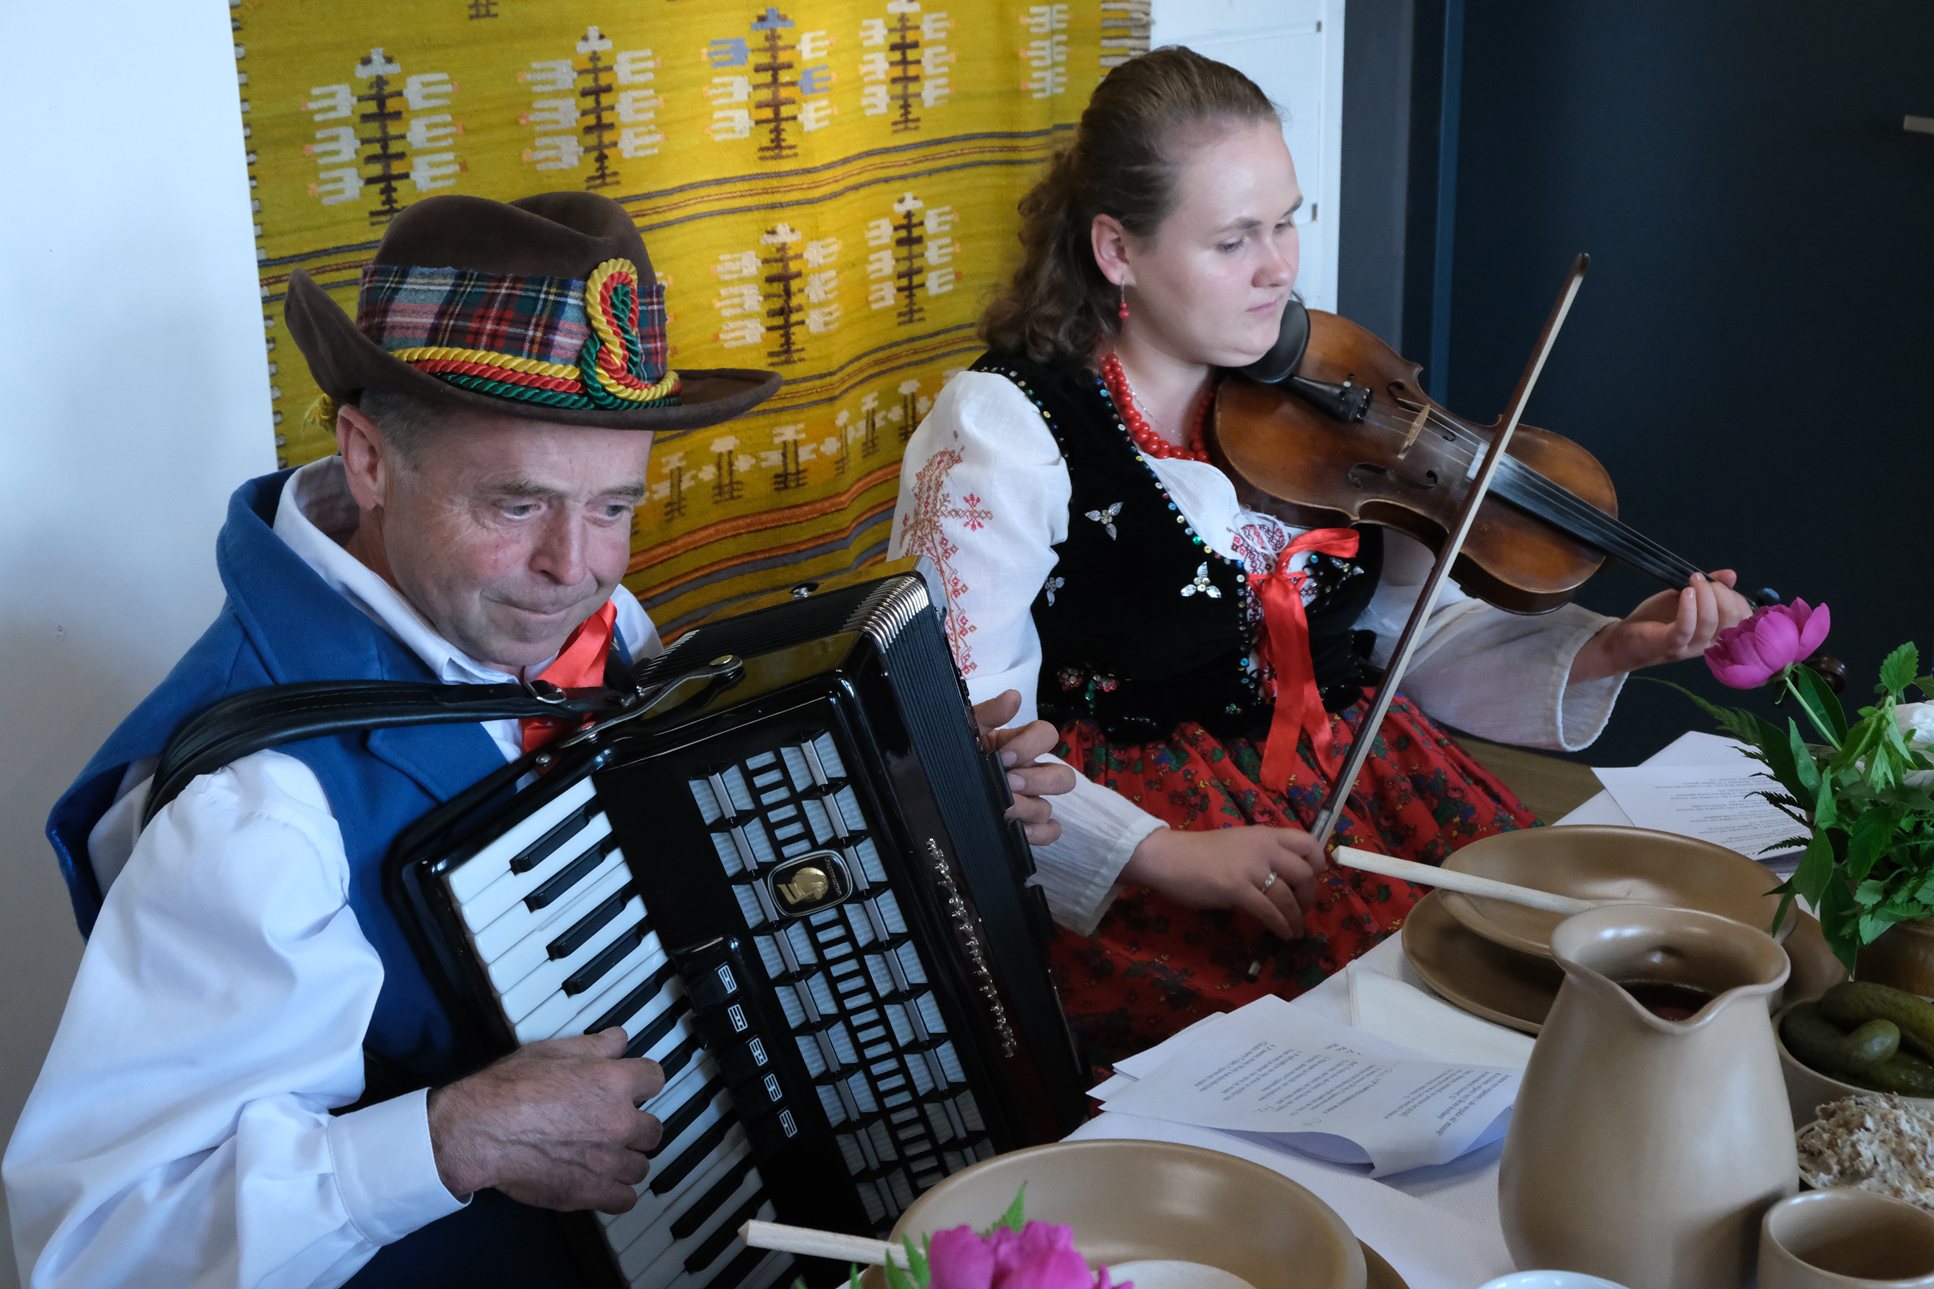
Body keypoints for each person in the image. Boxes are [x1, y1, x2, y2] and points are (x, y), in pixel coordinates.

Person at [5, 192, 1075, 1288]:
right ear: (368, 459)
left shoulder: (555, 612)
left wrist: (928, 809)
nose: (578, 567)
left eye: (614, 507)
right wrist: (443, 1140)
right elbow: (92, 1252)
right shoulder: (257, 809)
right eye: (516, 505)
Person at [888, 47, 1753, 1066]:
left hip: (1371, 790)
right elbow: (959, 734)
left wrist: (1608, 647)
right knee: (1355, 1062)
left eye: (1285, 222)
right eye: (1232, 240)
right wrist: (1158, 852)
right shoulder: (1006, 429)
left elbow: (1395, 640)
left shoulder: (1322, 391)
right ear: (1116, 249)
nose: (1278, 269)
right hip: (1156, 850)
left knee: (1560, 1001)